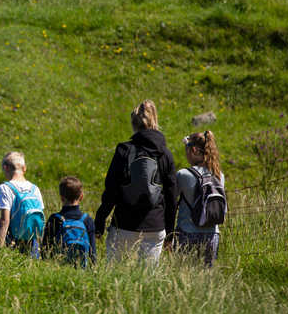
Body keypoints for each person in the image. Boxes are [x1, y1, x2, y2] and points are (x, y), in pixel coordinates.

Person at [95, 100, 178, 266]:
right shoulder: (165, 154)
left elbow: (111, 190)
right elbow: (171, 197)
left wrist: (100, 221)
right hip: (155, 225)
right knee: (148, 279)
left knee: (114, 273)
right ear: (155, 121)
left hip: (124, 223)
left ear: (133, 124)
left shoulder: (124, 150)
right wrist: (170, 233)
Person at [172, 130, 225, 267]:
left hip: (187, 233)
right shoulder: (219, 175)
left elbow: (171, 201)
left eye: (187, 150)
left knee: (184, 277)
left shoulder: (183, 174)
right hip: (213, 235)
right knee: (206, 277)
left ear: (194, 150)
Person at [0, 151, 45, 258]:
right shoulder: (34, 189)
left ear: (5, 167)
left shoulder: (5, 188)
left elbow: (5, 220)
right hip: (33, 241)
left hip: (13, 240)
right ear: (24, 168)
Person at [44, 176, 96, 267]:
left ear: (61, 198)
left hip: (58, 268)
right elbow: (92, 252)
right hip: (81, 270)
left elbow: (46, 248)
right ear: (81, 196)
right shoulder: (87, 220)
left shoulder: (54, 219)